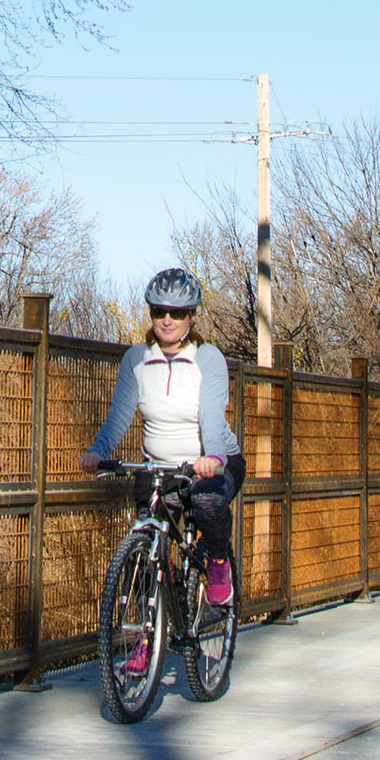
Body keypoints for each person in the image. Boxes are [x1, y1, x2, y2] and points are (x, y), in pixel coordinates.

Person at [80, 265, 244, 647]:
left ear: (192, 317)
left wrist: (214, 457)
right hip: (159, 468)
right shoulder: (136, 359)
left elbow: (211, 416)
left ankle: (218, 562)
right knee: (144, 551)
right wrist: (98, 451)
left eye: (178, 313)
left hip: (211, 461)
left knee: (206, 503)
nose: (167, 320)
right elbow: (121, 414)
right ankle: (145, 640)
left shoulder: (208, 359)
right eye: (159, 311)